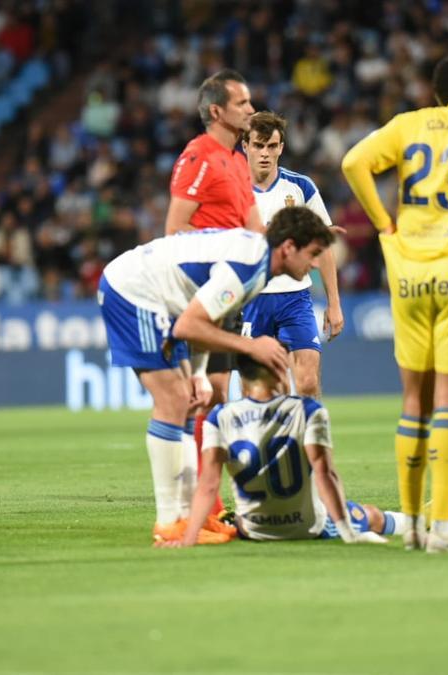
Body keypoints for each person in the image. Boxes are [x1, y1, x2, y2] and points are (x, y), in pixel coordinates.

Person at [341, 52, 448, 553]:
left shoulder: (406, 125)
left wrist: (383, 223)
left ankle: (414, 527)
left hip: (409, 269)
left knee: (413, 402)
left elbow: (353, 162)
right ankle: (443, 528)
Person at [99, 206, 334, 544]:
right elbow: (189, 325)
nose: (314, 265)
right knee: (172, 399)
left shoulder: (257, 259)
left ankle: (191, 516)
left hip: (163, 298)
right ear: (288, 248)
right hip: (136, 292)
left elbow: (210, 318)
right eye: (312, 254)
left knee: (187, 401)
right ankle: (169, 524)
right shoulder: (250, 266)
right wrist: (250, 347)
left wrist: (197, 372)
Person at [165, 353, 407, 547]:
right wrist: (347, 532)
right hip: (308, 527)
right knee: (371, 515)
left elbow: (208, 483)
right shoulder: (308, 410)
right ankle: (416, 522)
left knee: (235, 513)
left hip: (253, 530)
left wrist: (189, 538)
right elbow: (325, 474)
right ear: (280, 371)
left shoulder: (220, 416)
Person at [164, 69, 265, 517]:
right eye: (243, 103)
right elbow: (175, 227)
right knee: (203, 394)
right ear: (216, 111)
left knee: (220, 397)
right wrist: (222, 256)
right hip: (202, 290)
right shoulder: (199, 155)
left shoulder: (240, 162)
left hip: (232, 290)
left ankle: (212, 499)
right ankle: (193, 505)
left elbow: (254, 228)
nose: (251, 109)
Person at [242, 111, 344, 398]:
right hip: (252, 299)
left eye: (272, 146)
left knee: (308, 381)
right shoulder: (233, 190)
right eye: (258, 145)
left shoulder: (300, 187)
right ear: (245, 146)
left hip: (295, 298)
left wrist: (333, 303)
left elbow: (322, 246)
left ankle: (310, 439)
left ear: (281, 148)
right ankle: (264, 439)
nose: (265, 153)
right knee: (259, 389)